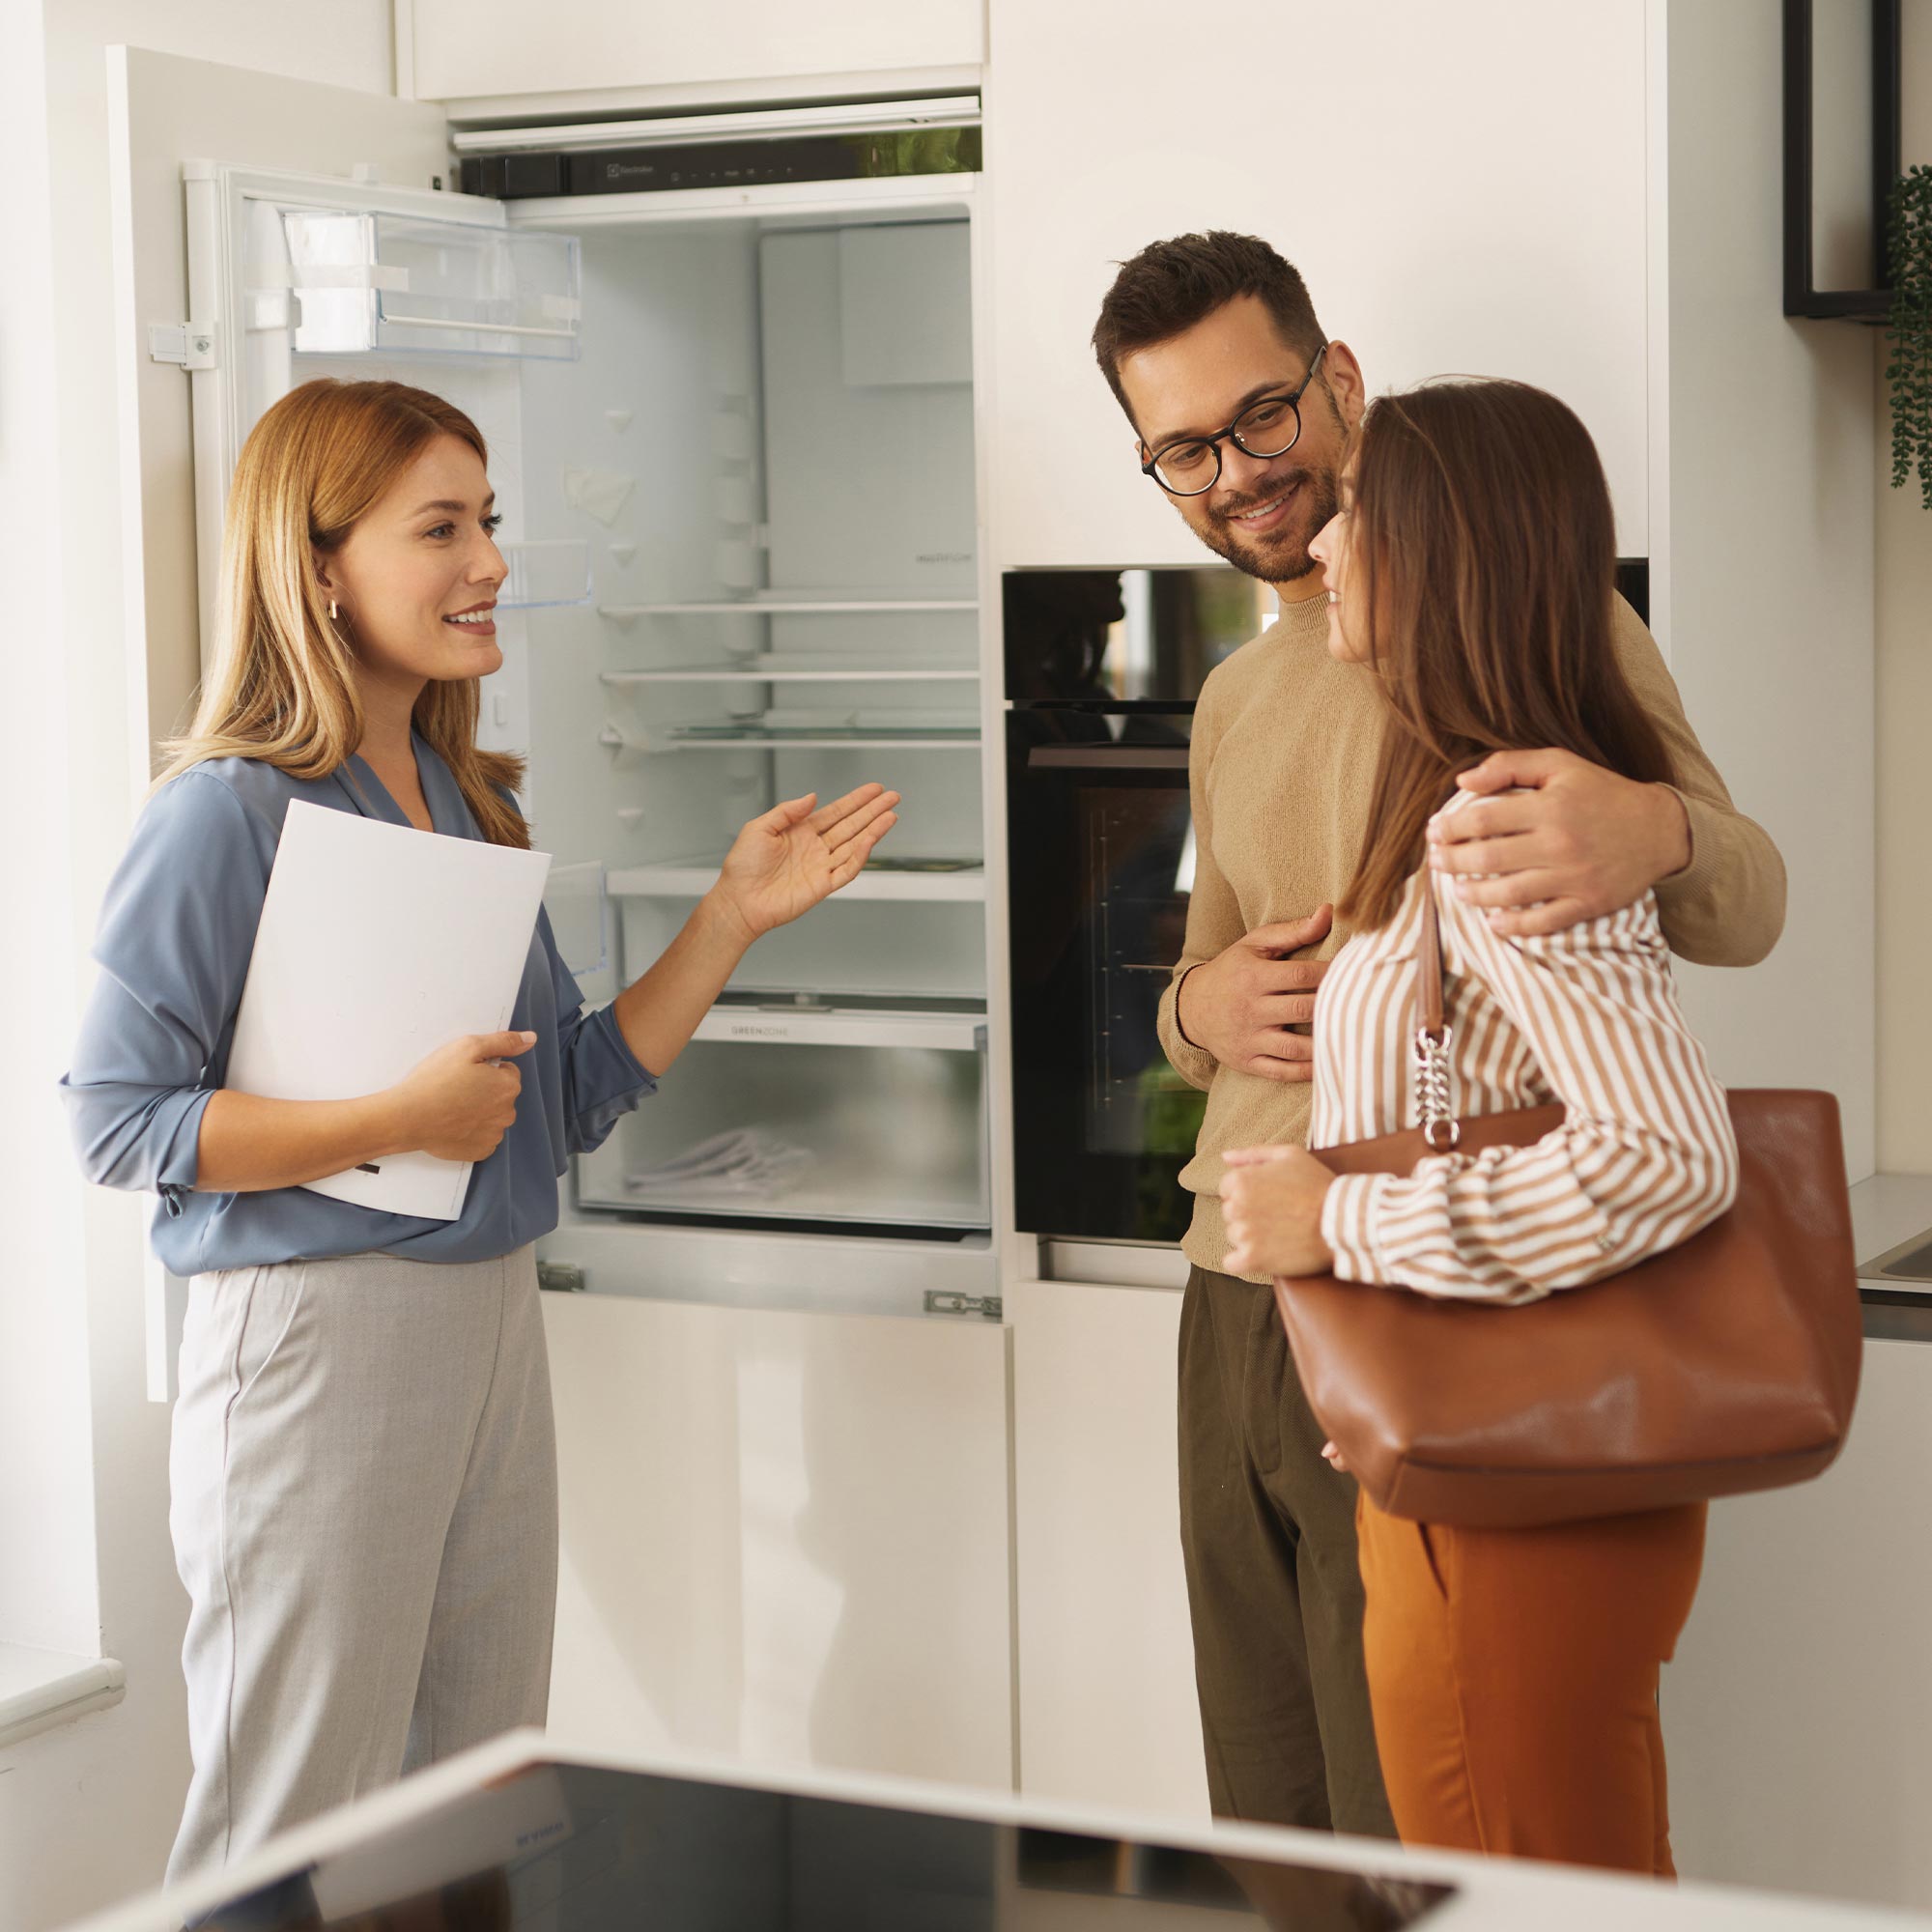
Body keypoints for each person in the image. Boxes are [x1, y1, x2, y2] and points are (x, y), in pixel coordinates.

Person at [60, 379, 900, 1880]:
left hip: (488, 1323)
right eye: (440, 527)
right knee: (291, 1824)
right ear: (319, 567)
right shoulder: (226, 813)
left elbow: (560, 1099)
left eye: (488, 522)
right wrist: (396, 1116)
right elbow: (120, 1122)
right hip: (316, 1336)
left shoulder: (460, 798)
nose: (491, 563)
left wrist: (728, 919)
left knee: (473, 1805)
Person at [1089, 232, 1784, 1836]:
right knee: (1275, 1807)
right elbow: (1193, 994)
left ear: (1338, 378)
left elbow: (1743, 905)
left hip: (1421, 1279)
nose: (1237, 475)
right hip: (1236, 1288)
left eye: (1261, 417)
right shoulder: (1235, 700)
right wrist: (1198, 1011)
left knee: (1429, 1809)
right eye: (1184, 450)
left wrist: (1655, 831)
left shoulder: (1532, 620)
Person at [1218, 378, 1737, 1875]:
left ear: (1443, 554)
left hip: (1515, 1508)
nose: (1326, 547)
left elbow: (1665, 1156)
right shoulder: (1458, 793)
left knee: (1533, 1893)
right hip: (1473, 1481)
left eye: (1362, 515)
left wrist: (1341, 1220)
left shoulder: (1506, 823)